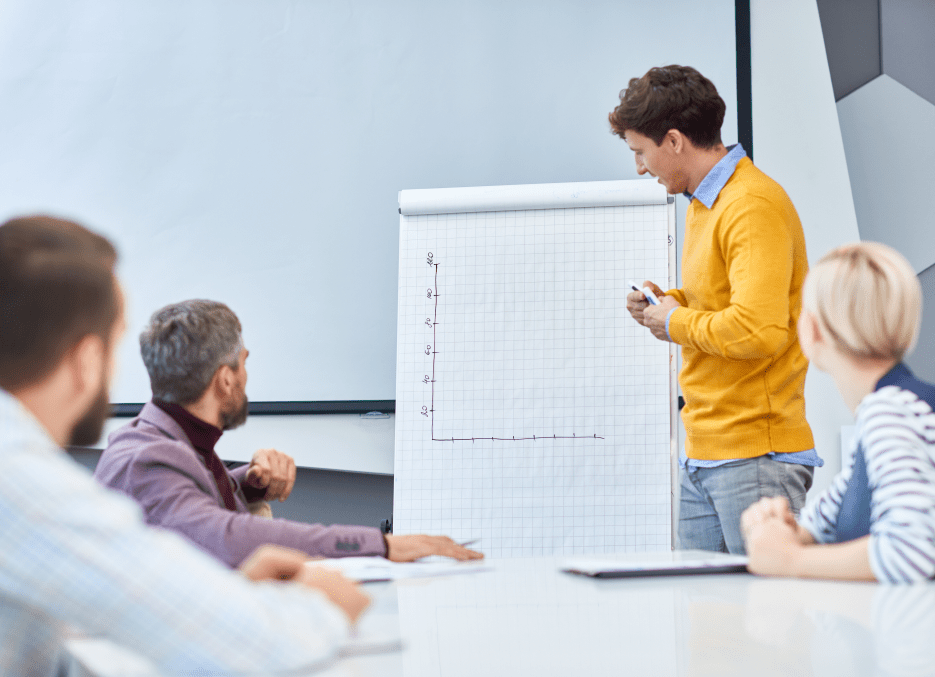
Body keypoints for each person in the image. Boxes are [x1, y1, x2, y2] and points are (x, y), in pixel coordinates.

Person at [0, 215, 371, 676]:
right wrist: (321, 604)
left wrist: (229, 595)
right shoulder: (20, 478)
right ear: (88, 360)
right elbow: (261, 650)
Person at [95, 299, 483, 567]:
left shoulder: (168, 443)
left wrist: (247, 484)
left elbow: (182, 512)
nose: (247, 376)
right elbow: (227, 537)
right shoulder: (148, 461)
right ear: (226, 380)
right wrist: (380, 545)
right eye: (243, 363)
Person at [612, 65, 820, 554]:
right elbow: (722, 305)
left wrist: (674, 320)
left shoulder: (750, 205)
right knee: (700, 605)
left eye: (640, 152)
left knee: (766, 605)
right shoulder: (707, 203)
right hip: (707, 455)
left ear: (674, 141)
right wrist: (670, 304)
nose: (640, 167)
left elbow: (758, 330)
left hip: (755, 457)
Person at [742, 242, 935, 583]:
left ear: (811, 329)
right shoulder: (887, 410)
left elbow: (912, 553)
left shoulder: (888, 412)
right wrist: (778, 526)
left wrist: (792, 560)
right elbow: (825, 522)